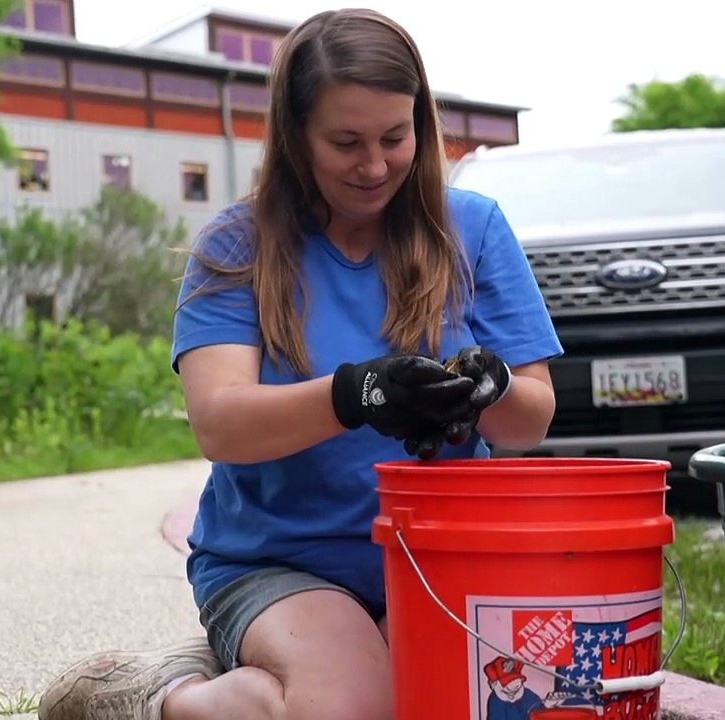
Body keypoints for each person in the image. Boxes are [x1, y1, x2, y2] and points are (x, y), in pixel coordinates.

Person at [37, 7, 562, 720]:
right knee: (354, 709)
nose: (375, 165)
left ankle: (256, 677)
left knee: (479, 702)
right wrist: (361, 393)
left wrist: (486, 386)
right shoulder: (236, 247)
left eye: (394, 137)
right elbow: (221, 425)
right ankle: (153, 701)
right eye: (345, 141)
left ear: (422, 126)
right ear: (295, 135)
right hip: (278, 561)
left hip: (436, 560)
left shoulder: (473, 228)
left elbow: (530, 420)